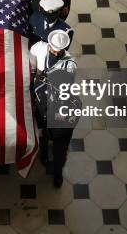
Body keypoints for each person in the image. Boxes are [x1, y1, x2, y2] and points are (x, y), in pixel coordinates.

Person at [29, 30, 79, 188]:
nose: (55, 52)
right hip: (42, 104)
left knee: (60, 151)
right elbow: (33, 69)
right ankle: (43, 155)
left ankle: (58, 173)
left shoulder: (69, 65)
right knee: (42, 135)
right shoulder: (38, 49)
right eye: (52, 48)